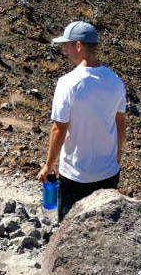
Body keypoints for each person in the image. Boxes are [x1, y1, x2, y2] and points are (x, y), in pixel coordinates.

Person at [38, 21, 126, 222]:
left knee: (69, 228)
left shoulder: (67, 83)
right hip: (108, 173)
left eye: (67, 45)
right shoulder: (115, 81)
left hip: (76, 176)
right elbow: (120, 123)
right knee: (103, 227)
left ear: (78, 46)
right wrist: (117, 156)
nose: (64, 50)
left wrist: (49, 165)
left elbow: (58, 129)